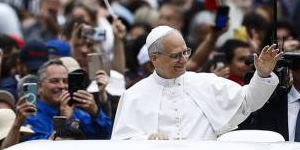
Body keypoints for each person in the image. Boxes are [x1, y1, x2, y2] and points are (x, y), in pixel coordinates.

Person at [111, 26, 281, 140]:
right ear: (154, 59)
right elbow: (121, 143)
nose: (184, 60)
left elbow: (248, 101)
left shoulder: (206, 83)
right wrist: (147, 140)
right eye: (175, 56)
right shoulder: (134, 95)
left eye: (185, 52)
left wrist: (262, 74)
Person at [26, 59, 112, 140]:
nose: (62, 86)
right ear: (40, 87)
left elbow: (105, 137)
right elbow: (41, 149)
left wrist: (95, 113)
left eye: (65, 81)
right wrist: (64, 121)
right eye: (54, 81)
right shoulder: (31, 115)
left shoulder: (77, 112)